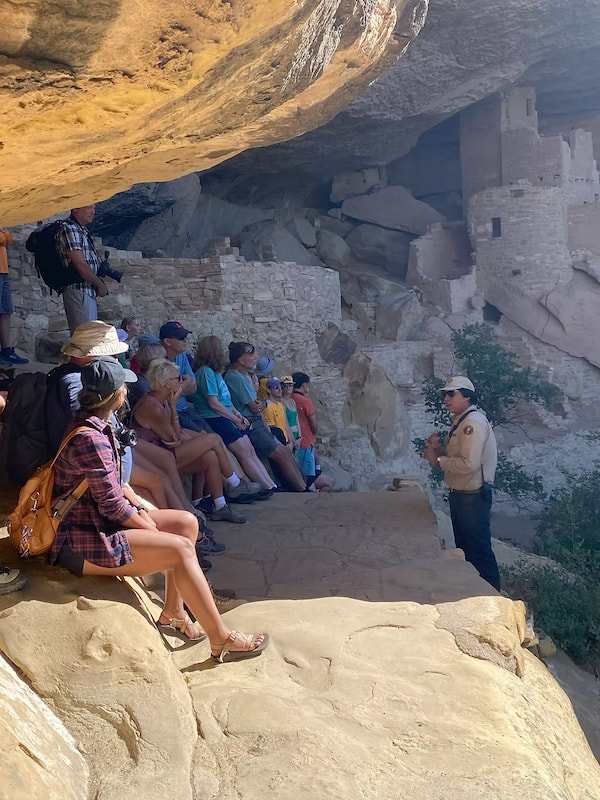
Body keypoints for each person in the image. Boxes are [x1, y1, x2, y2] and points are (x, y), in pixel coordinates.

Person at [49, 356, 269, 660]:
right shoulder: (91, 438)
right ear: (116, 394)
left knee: (186, 524)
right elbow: (111, 504)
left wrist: (141, 506)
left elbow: (113, 483)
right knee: (179, 548)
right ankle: (222, 638)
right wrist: (146, 523)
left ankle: (174, 611)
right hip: (84, 539)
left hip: (97, 522)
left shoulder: (94, 424)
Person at [131, 359, 260, 522]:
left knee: (210, 457)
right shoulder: (152, 406)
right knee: (213, 438)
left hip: (166, 452)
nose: (182, 382)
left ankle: (219, 506)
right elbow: (174, 437)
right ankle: (234, 483)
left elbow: (175, 436)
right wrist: (174, 406)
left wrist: (172, 409)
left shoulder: (160, 400)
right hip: (159, 461)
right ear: (167, 383)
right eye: (178, 379)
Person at [422, 375, 501, 592]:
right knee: (467, 550)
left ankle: (491, 596)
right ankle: (475, 595)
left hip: (472, 497)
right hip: (463, 496)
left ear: (467, 396)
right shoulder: (462, 421)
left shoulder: (472, 424)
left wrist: (438, 460)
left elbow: (469, 464)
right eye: (445, 394)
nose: (446, 398)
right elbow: (459, 456)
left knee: (479, 552)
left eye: (451, 393)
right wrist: (438, 451)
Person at [192, 335, 276, 496]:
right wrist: (235, 418)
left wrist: (237, 415)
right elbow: (214, 403)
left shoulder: (214, 372)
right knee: (244, 452)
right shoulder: (205, 373)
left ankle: (270, 485)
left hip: (225, 415)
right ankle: (265, 487)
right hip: (214, 417)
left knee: (249, 450)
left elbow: (226, 401)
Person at [225, 342, 306, 492]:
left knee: (284, 452)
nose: (255, 356)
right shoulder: (237, 378)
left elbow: (259, 403)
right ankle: (301, 490)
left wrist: (261, 403)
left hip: (254, 421)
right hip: (252, 423)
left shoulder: (240, 376)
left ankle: (302, 487)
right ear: (241, 359)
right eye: (251, 353)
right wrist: (261, 403)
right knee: (281, 454)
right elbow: (255, 405)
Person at [55, 205, 107, 334]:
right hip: (79, 290)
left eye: (94, 208)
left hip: (85, 291)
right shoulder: (70, 229)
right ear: (75, 209)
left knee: (87, 337)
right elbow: (80, 265)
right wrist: (100, 285)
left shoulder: (80, 230)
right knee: (84, 338)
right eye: (89, 208)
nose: (93, 212)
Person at [159, 321, 211, 434]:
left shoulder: (181, 355)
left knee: (214, 436)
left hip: (185, 409)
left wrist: (177, 389)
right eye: (181, 338)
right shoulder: (158, 362)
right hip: (172, 413)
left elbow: (193, 387)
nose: (185, 340)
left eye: (185, 337)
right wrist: (185, 382)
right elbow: (164, 396)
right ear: (167, 341)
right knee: (208, 438)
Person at [292, 372, 334, 492]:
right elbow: (313, 423)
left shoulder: (288, 399)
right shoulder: (306, 401)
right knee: (308, 480)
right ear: (304, 385)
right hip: (305, 442)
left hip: (294, 442)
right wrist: (312, 434)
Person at [0, 227, 28, 365]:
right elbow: (3, 238)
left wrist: (4, 235)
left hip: (3, 270)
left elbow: (9, 238)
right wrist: (4, 235)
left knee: (6, 311)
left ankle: (6, 351)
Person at [263, 378, 295, 448]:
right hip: (278, 444)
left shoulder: (280, 405)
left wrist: (291, 442)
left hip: (286, 443)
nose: (280, 389)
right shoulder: (267, 406)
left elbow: (286, 425)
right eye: (276, 387)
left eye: (281, 387)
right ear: (269, 390)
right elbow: (271, 431)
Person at [280, 376, 301, 446]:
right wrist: (292, 440)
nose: (288, 388)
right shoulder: (280, 402)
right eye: (285, 386)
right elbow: (286, 424)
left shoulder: (292, 401)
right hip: (289, 436)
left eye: (290, 385)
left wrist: (300, 437)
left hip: (296, 434)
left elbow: (297, 420)